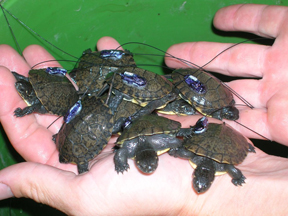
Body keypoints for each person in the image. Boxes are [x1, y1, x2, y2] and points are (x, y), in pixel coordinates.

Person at [0, 4, 287, 215]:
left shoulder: (158, 140)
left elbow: (167, 137)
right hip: (127, 112)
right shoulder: (166, 139)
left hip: (131, 112)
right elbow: (174, 136)